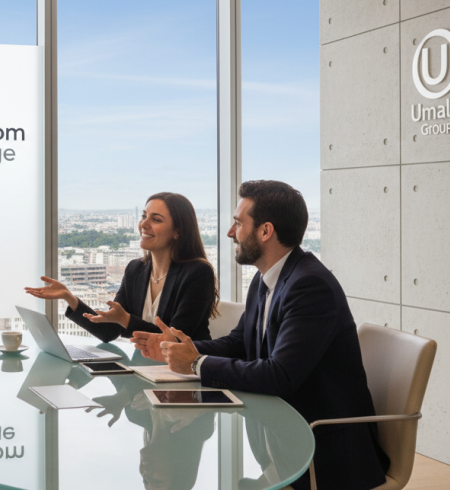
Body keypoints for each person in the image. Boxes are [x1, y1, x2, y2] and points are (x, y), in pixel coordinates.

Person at [131, 180, 388, 490]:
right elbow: (239, 343)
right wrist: (179, 349)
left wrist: (196, 363)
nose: (230, 232)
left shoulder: (310, 286)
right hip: (277, 441)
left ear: (265, 231)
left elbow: (279, 375)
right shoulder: (265, 279)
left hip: (322, 454)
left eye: (238, 223)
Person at [25, 192, 218, 343]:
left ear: (178, 231)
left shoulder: (198, 273)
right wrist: (70, 298)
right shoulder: (136, 269)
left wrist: (125, 319)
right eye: (144, 216)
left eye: (156, 219)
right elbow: (109, 331)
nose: (144, 224)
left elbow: (175, 340)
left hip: (186, 372)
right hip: (147, 368)